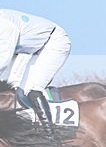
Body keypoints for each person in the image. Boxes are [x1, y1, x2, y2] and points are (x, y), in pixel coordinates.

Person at [0, 8, 72, 137]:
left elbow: (3, 60)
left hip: (53, 43)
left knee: (30, 89)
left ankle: (51, 137)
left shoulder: (4, 25)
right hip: (26, 51)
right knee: (9, 91)